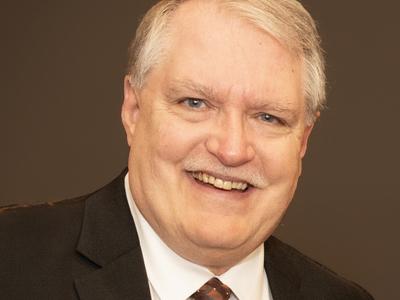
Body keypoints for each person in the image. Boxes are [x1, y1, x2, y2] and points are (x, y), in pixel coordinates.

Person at [0, 0, 374, 299]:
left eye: (268, 117)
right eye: (195, 103)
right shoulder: (11, 262)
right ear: (133, 111)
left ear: (303, 140)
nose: (231, 150)